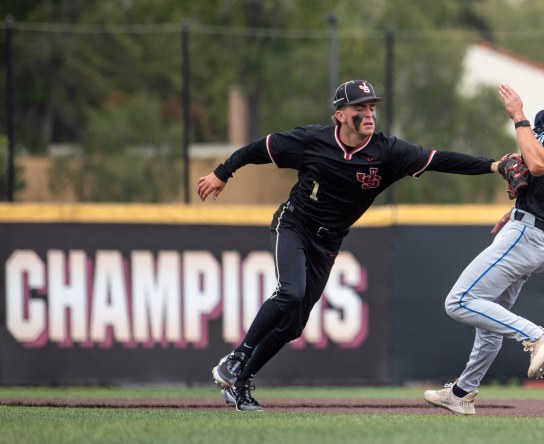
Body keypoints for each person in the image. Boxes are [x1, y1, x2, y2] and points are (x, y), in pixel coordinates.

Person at [198, 79, 499, 412]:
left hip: (328, 241)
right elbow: (259, 149)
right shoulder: (311, 140)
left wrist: (493, 166)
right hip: (295, 224)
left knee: (293, 326)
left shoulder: (388, 151)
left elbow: (441, 159)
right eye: (360, 108)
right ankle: (237, 357)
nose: (369, 114)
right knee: (291, 292)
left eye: (372, 107)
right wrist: (223, 172)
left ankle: (239, 384)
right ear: (340, 114)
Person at [423, 66, 544, 416]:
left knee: (460, 301)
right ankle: (462, 393)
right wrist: (520, 208)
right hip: (531, 228)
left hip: (529, 235)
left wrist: (518, 117)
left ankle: (537, 335)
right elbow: (538, 176)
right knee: (489, 317)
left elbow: (537, 165)